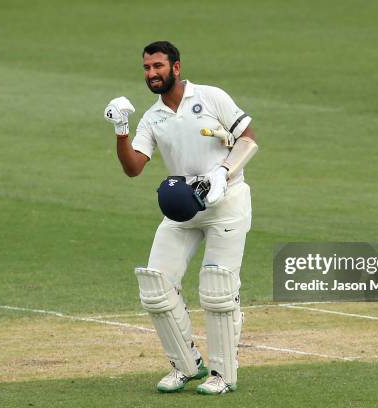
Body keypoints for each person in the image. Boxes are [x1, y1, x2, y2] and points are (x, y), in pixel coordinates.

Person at [103, 41, 258, 395]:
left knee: (217, 288)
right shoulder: (153, 117)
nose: (151, 73)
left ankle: (224, 375)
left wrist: (223, 171)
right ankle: (186, 366)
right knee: (155, 285)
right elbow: (133, 168)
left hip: (226, 201)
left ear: (176, 67)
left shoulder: (211, 96)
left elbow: (248, 139)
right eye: (146, 68)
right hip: (183, 204)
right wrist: (121, 130)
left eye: (158, 66)